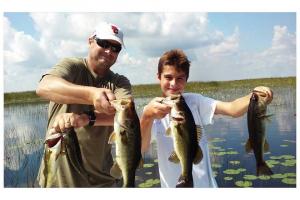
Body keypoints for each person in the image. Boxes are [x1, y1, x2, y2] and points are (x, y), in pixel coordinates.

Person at [140, 49, 273, 188]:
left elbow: (232, 109)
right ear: (158, 77)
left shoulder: (195, 101)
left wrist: (256, 96)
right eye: (168, 77)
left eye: (180, 78)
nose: (173, 83)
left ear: (186, 79)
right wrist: (147, 117)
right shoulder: (150, 111)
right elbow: (141, 148)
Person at [36, 22, 132, 187]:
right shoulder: (72, 66)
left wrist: (87, 118)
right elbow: (44, 87)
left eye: (116, 48)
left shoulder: (119, 82)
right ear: (90, 41)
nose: (109, 51)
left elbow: (128, 117)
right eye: (104, 43)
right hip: (58, 180)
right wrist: (91, 94)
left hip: (104, 181)